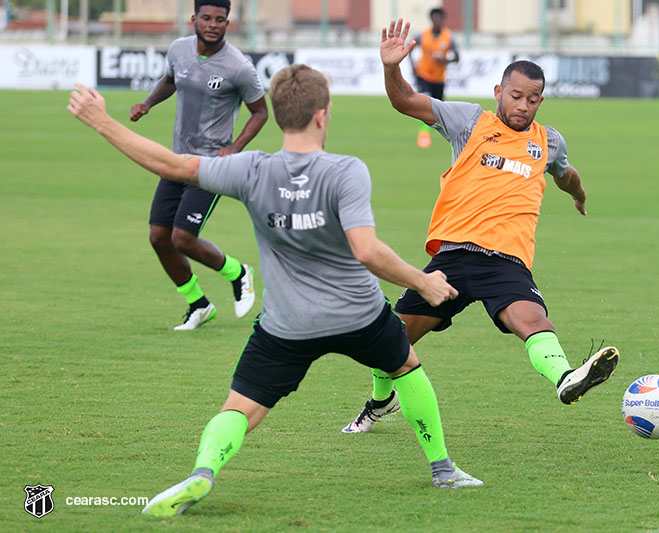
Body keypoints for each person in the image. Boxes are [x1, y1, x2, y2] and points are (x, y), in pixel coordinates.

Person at [68, 64, 484, 517]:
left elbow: (170, 164)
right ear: (322, 115)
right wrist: (424, 281)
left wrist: (100, 120)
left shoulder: (250, 170)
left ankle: (202, 474)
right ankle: (444, 469)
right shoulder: (346, 171)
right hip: (358, 315)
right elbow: (366, 250)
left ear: (279, 114)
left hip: (288, 324)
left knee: (240, 408)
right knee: (405, 365)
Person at [341, 19, 620, 434]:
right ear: (498, 93)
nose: (524, 106)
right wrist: (390, 68)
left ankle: (567, 379)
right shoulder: (469, 122)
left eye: (534, 99)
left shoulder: (548, 141)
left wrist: (578, 194)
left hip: (506, 262)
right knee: (390, 341)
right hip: (451, 258)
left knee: (534, 321)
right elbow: (405, 101)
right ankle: (381, 400)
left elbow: (565, 174)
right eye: (516, 96)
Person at [130, 0, 269, 330]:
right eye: (206, 17)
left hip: (210, 166)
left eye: (220, 19)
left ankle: (237, 272)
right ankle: (199, 304)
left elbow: (260, 112)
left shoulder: (239, 67)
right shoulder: (179, 50)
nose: (212, 24)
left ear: (227, 23)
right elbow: (170, 79)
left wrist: (234, 148)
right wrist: (147, 104)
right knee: (158, 237)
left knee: (182, 238)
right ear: (194, 18)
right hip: (176, 160)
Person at [412, 7, 459, 149]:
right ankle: (424, 134)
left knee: (437, 108)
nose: (437, 21)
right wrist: (413, 66)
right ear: (431, 19)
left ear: (443, 20)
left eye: (439, 18)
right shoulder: (423, 35)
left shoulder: (449, 37)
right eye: (434, 18)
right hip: (423, 75)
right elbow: (410, 47)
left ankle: (442, 133)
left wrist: (445, 61)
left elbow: (457, 57)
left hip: (439, 78)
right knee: (423, 102)